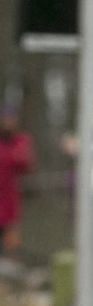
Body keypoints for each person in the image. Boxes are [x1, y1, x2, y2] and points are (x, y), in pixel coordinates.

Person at [0, 105, 34, 254]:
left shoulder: (20, 140)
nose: (8, 122)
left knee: (11, 250)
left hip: (9, 205)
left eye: (11, 118)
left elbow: (24, 162)